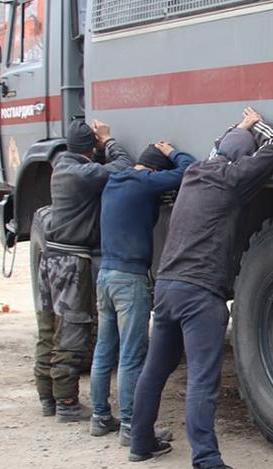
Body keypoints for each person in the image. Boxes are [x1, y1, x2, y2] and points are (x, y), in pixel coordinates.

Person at [128, 107, 273, 469]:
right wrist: (257, 124)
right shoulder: (233, 178)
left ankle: (140, 442)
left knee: (156, 368)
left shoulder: (191, 176)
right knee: (203, 378)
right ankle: (207, 464)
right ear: (239, 158)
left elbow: (221, 149)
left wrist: (237, 128)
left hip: (167, 286)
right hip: (200, 292)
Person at [90, 140, 195, 443]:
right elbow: (189, 170)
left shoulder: (114, 182)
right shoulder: (144, 182)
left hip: (106, 276)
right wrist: (173, 152)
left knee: (104, 350)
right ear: (154, 170)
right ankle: (130, 427)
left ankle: (100, 417)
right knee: (131, 356)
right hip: (129, 280)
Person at [36, 118, 134, 422]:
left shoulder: (62, 166)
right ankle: (66, 404)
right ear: (91, 150)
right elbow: (123, 166)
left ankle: (48, 399)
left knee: (48, 329)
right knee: (72, 329)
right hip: (70, 262)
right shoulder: (82, 173)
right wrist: (109, 141)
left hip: (51, 258)